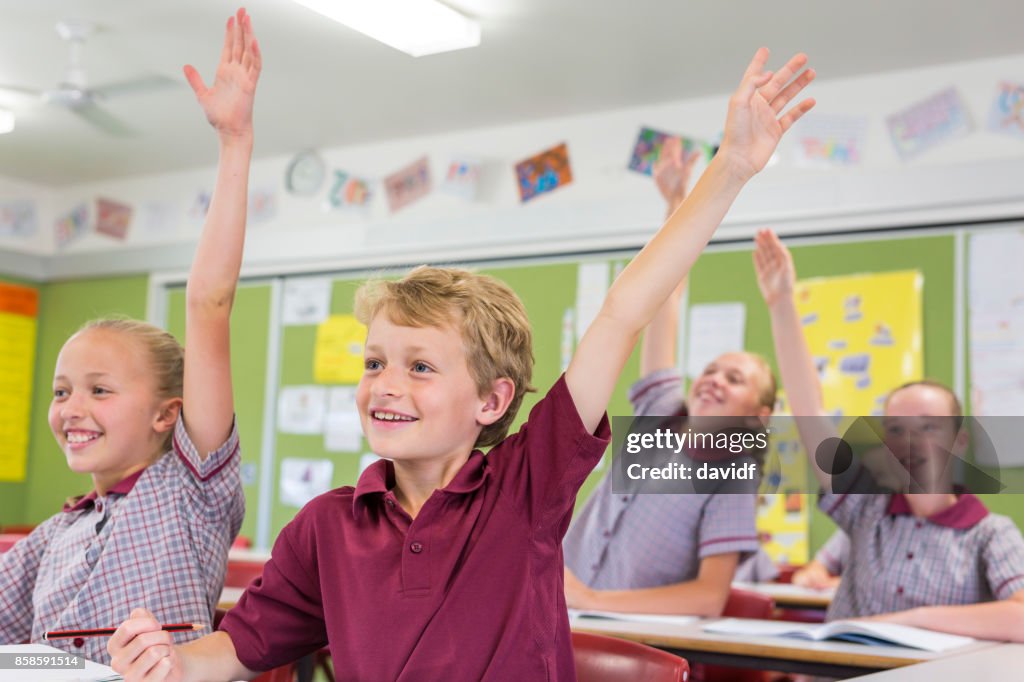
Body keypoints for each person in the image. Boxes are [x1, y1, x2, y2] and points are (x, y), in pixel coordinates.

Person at [108, 46, 815, 681]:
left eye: (420, 368)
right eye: (375, 362)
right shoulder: (326, 527)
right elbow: (233, 650)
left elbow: (623, 313)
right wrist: (169, 663)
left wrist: (729, 169)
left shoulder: (525, 487)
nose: (385, 384)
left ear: (491, 400)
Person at [0, 7, 258, 665]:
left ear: (166, 414)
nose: (71, 408)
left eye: (99, 389)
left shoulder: (189, 495)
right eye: (62, 391)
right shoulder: (53, 536)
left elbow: (208, 304)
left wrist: (234, 143)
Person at [753, 227, 1024, 641]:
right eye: (896, 430)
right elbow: (809, 413)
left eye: (929, 427)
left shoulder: (989, 533)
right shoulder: (867, 508)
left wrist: (911, 619)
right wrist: (782, 302)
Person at [562, 136, 780, 615]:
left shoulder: (731, 477)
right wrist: (674, 203)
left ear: (759, 415)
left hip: (625, 634)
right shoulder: (660, 412)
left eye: (736, 379)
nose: (715, 379)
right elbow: (663, 301)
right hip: (558, 615)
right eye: (712, 369)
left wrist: (595, 600)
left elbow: (708, 597)